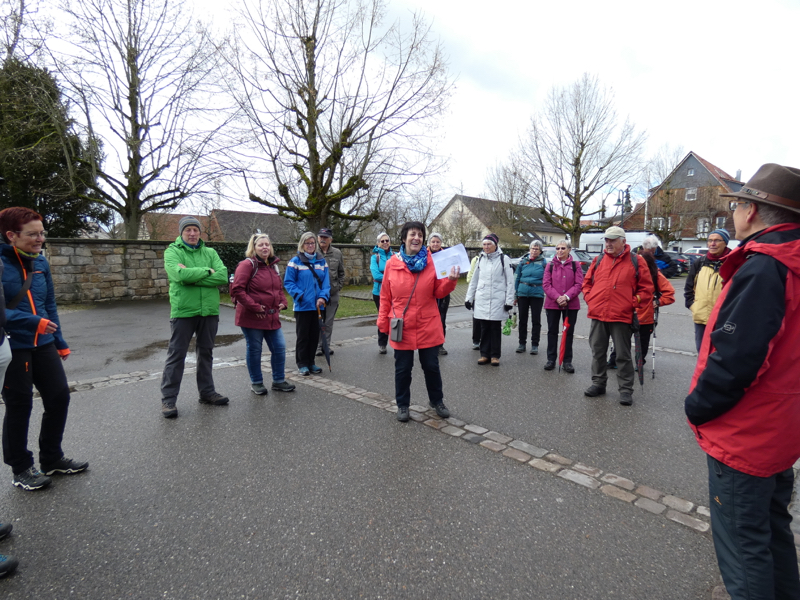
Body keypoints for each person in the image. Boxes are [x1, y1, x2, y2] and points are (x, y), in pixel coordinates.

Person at [684, 163, 800, 600]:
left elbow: (737, 360)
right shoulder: (789, 262)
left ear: (750, 211)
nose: (733, 214)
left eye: (735, 206)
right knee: (771, 530)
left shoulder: (766, 268)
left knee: (743, 546)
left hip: (746, 434)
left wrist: (698, 406)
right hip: (780, 426)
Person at [0, 207, 88, 490]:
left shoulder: (41, 262)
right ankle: (21, 468)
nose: (40, 239)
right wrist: (32, 322)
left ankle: (51, 458)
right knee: (19, 405)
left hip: (44, 342)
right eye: (33, 234)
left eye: (42, 233)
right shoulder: (1, 263)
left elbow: (49, 304)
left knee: (59, 397)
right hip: (13, 345)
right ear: (11, 235)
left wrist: (59, 340)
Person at [377, 221, 458, 422]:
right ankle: (403, 405)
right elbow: (385, 296)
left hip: (427, 324)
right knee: (403, 369)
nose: (417, 238)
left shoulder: (432, 262)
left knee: (431, 366)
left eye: (420, 235)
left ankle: (437, 401)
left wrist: (451, 280)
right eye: (412, 234)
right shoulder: (392, 264)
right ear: (404, 238)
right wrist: (383, 322)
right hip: (401, 325)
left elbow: (439, 291)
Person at [160, 216, 229, 419]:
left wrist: (192, 278)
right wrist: (207, 271)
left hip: (209, 311)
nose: (192, 233)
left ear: (200, 232)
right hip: (184, 311)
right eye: (188, 230)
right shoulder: (172, 251)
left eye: (195, 230)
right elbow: (179, 276)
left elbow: (223, 276)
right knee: (177, 355)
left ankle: (207, 392)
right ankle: (168, 400)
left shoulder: (210, 252)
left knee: (206, 353)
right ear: (181, 232)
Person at [581, 226, 653, 406]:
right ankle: (598, 383)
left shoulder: (636, 261)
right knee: (598, 352)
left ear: (623, 241)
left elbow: (646, 289)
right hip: (598, 314)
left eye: (613, 240)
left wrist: (632, 302)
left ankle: (626, 390)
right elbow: (587, 283)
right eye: (607, 240)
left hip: (621, 315)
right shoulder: (598, 260)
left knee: (622, 355)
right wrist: (591, 299)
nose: (609, 243)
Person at [230, 234, 295, 395]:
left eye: (267, 244)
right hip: (252, 317)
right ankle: (257, 382)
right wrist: (255, 307)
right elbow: (238, 290)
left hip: (271, 316)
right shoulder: (247, 265)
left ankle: (278, 381)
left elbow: (278, 289)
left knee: (279, 347)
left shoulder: (273, 266)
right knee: (255, 349)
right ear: (253, 248)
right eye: (261, 245)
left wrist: (283, 301)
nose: (265, 247)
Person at [465, 233, 515, 367]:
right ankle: (484, 354)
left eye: (489, 244)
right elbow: (474, 280)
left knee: (495, 328)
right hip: (482, 298)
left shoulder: (504, 259)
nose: (486, 247)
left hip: (498, 299)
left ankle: (495, 355)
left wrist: (509, 301)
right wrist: (469, 298)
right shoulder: (480, 259)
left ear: (495, 245)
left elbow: (510, 281)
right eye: (484, 244)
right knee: (484, 328)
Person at [284, 232, 330, 376]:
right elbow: (289, 282)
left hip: (318, 306)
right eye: (307, 243)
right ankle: (302, 363)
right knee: (303, 336)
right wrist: (300, 295)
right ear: (302, 245)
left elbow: (326, 283)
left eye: (312, 243)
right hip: (302, 306)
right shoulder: (295, 261)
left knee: (314, 336)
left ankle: (311, 362)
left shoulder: (322, 261)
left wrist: (323, 297)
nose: (310, 245)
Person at [684, 228, 732, 351]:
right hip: (701, 317)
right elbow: (689, 287)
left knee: (721, 353)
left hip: (724, 319)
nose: (712, 244)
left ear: (725, 243)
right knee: (702, 351)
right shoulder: (700, 262)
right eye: (710, 240)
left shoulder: (733, 262)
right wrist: (693, 305)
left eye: (717, 240)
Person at [542, 240, 584, 372]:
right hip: (552, 304)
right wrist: (557, 297)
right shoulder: (550, 265)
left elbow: (579, 284)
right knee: (552, 332)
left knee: (568, 333)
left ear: (569, 250)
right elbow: (546, 284)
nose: (560, 250)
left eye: (563, 248)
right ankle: (551, 359)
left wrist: (566, 297)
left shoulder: (575, 265)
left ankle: (567, 361)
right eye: (558, 248)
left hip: (570, 305)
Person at [514, 240, 547, 355]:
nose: (534, 251)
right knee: (522, 319)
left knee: (536, 320)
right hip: (522, 293)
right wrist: (515, 294)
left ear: (540, 251)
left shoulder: (544, 263)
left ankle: (534, 345)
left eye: (537, 249)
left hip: (537, 293)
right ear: (529, 249)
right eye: (532, 248)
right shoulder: (523, 262)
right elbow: (516, 278)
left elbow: (547, 279)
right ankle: (522, 343)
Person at [316, 228, 345, 357]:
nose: (323, 239)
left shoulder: (337, 253)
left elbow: (341, 273)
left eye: (325, 237)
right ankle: (317, 347)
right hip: (317, 295)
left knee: (328, 322)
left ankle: (326, 346)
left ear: (330, 239)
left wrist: (338, 287)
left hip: (332, 294)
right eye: (321, 237)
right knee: (318, 321)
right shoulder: (313, 252)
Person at [428, 232, 451, 356]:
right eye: (433, 242)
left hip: (443, 292)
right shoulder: (424, 255)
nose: (435, 244)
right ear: (429, 243)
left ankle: (440, 345)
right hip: (428, 293)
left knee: (441, 319)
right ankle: (429, 344)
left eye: (437, 242)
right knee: (428, 320)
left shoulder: (446, 256)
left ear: (441, 243)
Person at [370, 232, 393, 354]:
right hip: (379, 293)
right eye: (382, 241)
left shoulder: (395, 256)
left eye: (387, 240)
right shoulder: (375, 257)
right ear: (378, 243)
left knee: (396, 317)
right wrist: (392, 278)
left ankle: (398, 340)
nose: (385, 243)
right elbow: (376, 275)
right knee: (383, 317)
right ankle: (382, 344)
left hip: (394, 292)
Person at [466, 254, 481, 350]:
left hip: (491, 296)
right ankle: (476, 340)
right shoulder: (476, 260)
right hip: (477, 295)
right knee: (477, 318)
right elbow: (469, 278)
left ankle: (486, 340)